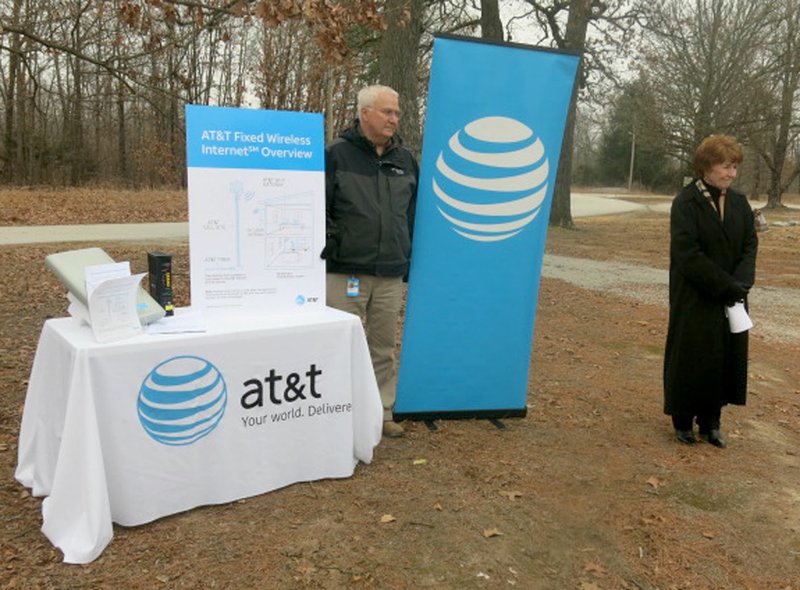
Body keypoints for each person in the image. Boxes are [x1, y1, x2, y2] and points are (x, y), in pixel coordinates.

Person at [323, 84, 419, 438]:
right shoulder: (335, 154)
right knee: (341, 346)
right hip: (345, 271)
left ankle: (382, 412)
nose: (395, 119)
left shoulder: (405, 160)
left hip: (390, 274)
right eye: (387, 112)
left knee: (383, 346)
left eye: (396, 112)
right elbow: (318, 209)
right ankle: (339, 413)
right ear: (365, 113)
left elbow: (412, 214)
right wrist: (337, 244)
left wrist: (406, 257)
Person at [663, 134, 758, 448]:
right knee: (692, 355)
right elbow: (687, 254)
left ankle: (711, 422)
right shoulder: (686, 203)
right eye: (725, 167)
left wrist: (740, 284)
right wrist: (724, 285)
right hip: (695, 294)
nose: (731, 174)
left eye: (734, 167)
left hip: (731, 296)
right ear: (706, 166)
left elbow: (749, 246)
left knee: (723, 358)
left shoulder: (740, 204)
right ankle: (682, 420)